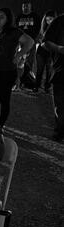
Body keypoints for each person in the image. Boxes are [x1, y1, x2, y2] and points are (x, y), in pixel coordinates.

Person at [0, 8, 34, 127]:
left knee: (3, 99)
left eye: (2, 17)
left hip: (6, 70)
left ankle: (0, 125)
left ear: (8, 19)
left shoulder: (14, 32)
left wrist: (19, 55)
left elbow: (30, 41)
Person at [43, 14, 64, 142]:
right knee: (61, 105)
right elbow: (46, 42)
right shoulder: (59, 21)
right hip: (61, 70)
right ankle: (60, 132)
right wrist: (58, 48)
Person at [15, 2, 41, 89]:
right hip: (20, 42)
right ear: (22, 7)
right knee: (19, 61)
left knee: (29, 61)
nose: (25, 7)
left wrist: (32, 40)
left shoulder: (35, 16)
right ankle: (18, 81)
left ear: (30, 6)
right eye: (24, 6)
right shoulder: (19, 16)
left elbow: (38, 29)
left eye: (27, 6)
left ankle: (26, 81)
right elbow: (16, 28)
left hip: (31, 42)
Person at [34, 11, 57, 93]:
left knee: (49, 70)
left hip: (51, 52)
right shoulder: (43, 28)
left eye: (51, 19)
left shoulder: (58, 28)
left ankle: (47, 88)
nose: (49, 21)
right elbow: (38, 39)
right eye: (47, 20)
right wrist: (40, 42)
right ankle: (36, 86)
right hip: (41, 52)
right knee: (39, 70)